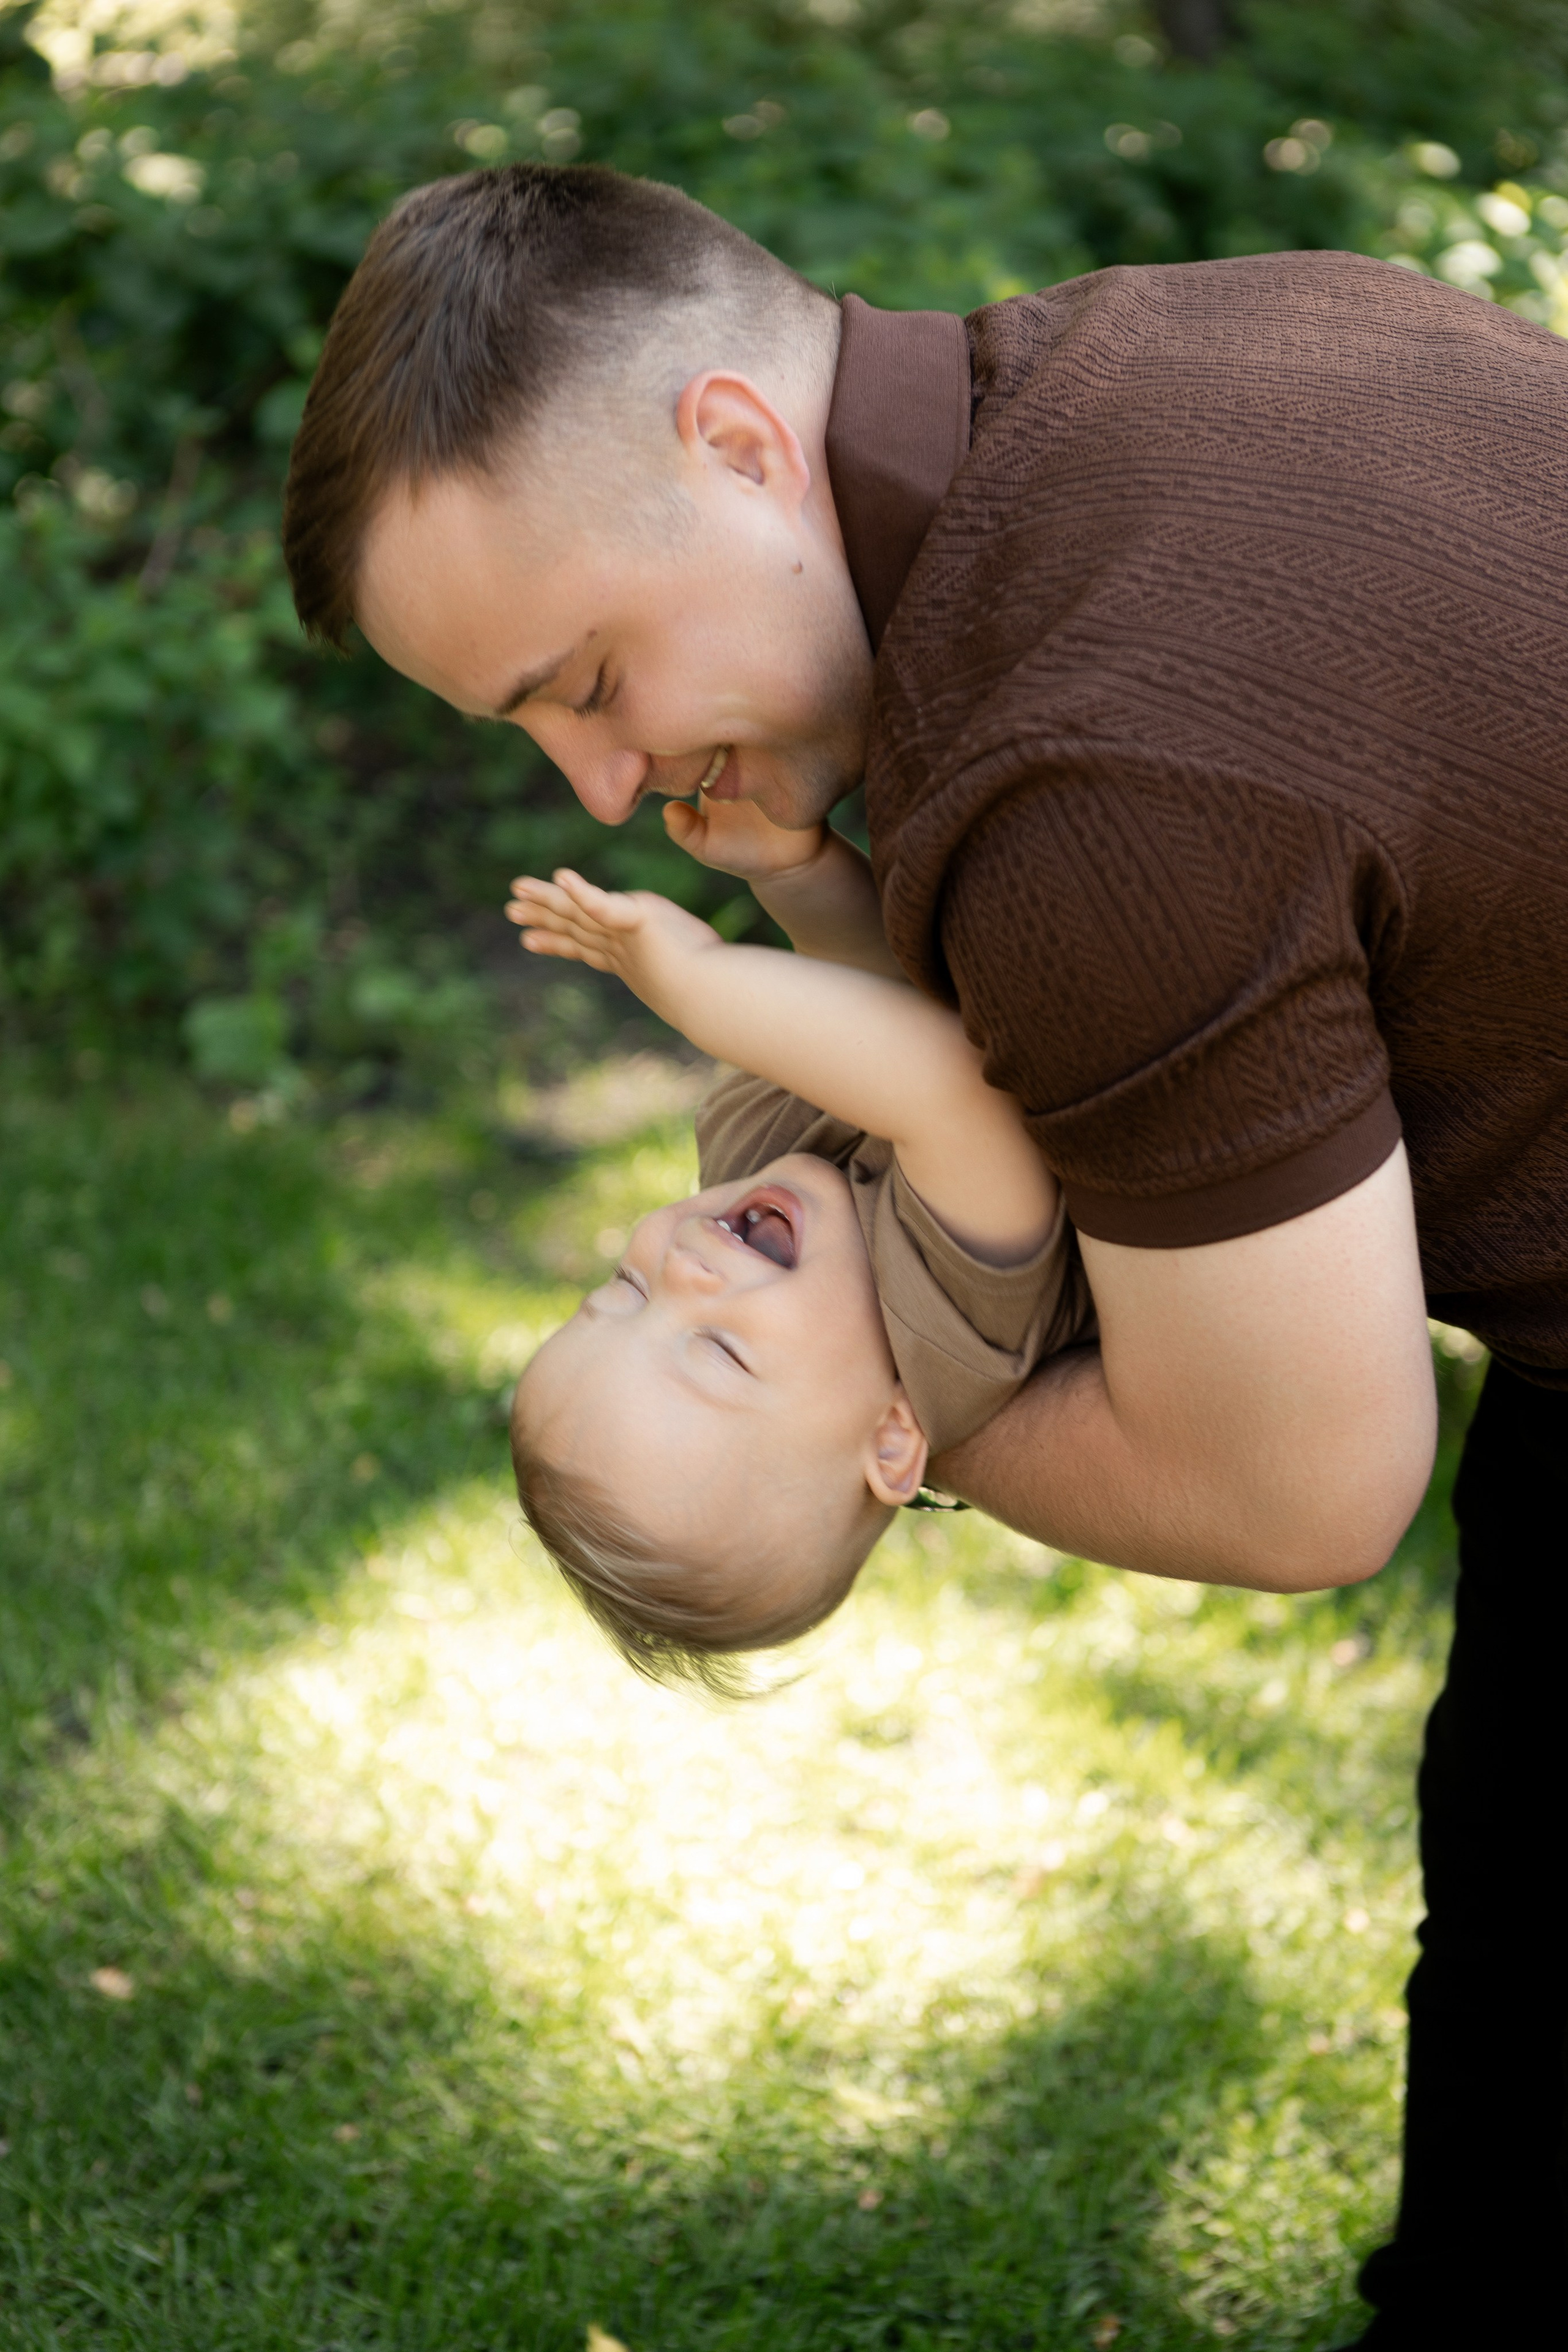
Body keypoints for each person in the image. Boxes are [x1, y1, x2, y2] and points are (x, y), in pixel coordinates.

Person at [280, 164, 1568, 2346]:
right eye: (536, 732)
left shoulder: (1090, 789)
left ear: (738, 442)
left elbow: (1305, 1483)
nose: (597, 788)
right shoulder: (1197, 340)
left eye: (585, 677)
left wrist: (890, 1427)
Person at [503, 800, 1091, 1688]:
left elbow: (878, 991)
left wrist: (796, 873)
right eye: (722, 1353)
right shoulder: (953, 1333)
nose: (683, 1271)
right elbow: (949, 1082)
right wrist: (701, 986)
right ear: (893, 1441)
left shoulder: (751, 1168)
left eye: (624, 1289)